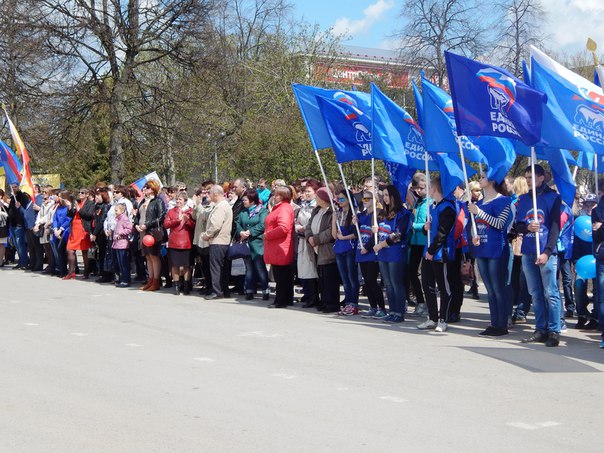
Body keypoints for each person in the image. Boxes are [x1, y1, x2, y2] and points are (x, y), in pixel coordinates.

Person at [515, 165, 562, 347]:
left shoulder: (552, 198)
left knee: (551, 292)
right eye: (526, 177)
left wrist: (547, 252)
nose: (528, 180)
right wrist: (527, 227)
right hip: (528, 250)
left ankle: (554, 330)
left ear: (542, 178)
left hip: (545, 251)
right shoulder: (524, 199)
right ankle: (540, 328)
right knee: (535, 293)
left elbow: (555, 228)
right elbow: (518, 225)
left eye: (531, 177)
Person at [468, 175, 514, 336]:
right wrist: (474, 235)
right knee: (489, 289)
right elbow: (475, 226)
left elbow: (500, 224)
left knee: (498, 287)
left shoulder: (504, 201)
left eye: (483, 177)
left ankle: (502, 324)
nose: (480, 179)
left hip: (497, 249)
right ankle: (494, 322)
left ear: (493, 180)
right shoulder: (479, 203)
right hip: (482, 249)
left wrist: (479, 212)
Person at [418, 176, 457, 332]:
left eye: (429, 187)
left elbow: (442, 233)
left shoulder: (447, 207)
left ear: (434, 189)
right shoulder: (432, 206)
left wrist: (431, 251)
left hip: (441, 253)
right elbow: (430, 229)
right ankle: (432, 317)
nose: (428, 190)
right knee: (427, 285)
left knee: (443, 287)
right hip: (428, 251)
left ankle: (443, 319)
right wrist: (425, 227)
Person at [373, 185, 412, 323]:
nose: (385, 198)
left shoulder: (403, 213)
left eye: (387, 195)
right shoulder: (383, 213)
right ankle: (392, 310)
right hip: (383, 253)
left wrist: (381, 245)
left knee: (396, 283)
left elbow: (398, 235)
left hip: (395, 253)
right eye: (383, 195)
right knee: (388, 284)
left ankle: (399, 312)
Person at [353, 190, 387, 318]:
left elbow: (377, 235)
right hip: (361, 251)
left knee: (372, 280)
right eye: (364, 199)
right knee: (367, 282)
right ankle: (373, 307)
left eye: (368, 199)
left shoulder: (378, 214)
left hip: (372, 252)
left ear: (375, 200)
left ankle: (382, 308)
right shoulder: (361, 215)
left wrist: (367, 248)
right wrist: (355, 223)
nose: (365, 201)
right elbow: (357, 234)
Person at [306, 187, 339, 313]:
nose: (316, 198)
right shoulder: (316, 210)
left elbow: (331, 231)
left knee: (329, 278)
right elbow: (309, 225)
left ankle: (332, 303)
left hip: (327, 249)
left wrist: (317, 239)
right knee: (321, 278)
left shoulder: (332, 212)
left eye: (318, 196)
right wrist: (309, 237)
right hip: (315, 248)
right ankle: (324, 301)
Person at [264, 185, 295, 308]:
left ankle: (281, 300)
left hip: (280, 246)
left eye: (276, 194)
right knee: (282, 274)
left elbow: (283, 227)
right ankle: (285, 299)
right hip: (278, 246)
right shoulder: (281, 207)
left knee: (281, 275)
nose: (274, 196)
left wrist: (268, 235)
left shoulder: (284, 208)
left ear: (282, 196)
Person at [236, 188, 269, 301]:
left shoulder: (262, 211)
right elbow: (238, 223)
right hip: (246, 244)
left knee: (260, 268)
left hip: (257, 244)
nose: (243, 202)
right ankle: (249, 290)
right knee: (249, 268)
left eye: (245, 200)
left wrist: (250, 232)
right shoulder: (243, 212)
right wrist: (241, 232)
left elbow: (263, 224)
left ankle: (265, 290)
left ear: (252, 200)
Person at [201, 185, 233, 299]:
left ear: (215, 194)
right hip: (223, 241)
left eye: (209, 193)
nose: (207, 195)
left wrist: (206, 235)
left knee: (215, 268)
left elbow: (215, 225)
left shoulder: (220, 207)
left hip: (218, 241)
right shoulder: (225, 205)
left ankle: (217, 292)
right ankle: (224, 290)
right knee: (223, 268)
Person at [136, 179, 166, 292]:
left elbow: (161, 216)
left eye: (147, 187)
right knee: (147, 257)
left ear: (153, 189)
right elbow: (137, 216)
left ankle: (156, 281)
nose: (144, 189)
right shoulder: (143, 201)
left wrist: (147, 225)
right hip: (142, 232)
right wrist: (136, 225)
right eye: (144, 187)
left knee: (154, 256)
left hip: (152, 232)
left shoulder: (158, 201)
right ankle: (150, 280)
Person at [332, 189, 359, 316]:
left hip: (350, 248)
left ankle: (353, 303)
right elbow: (334, 235)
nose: (339, 201)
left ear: (348, 199)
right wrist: (333, 220)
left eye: (342, 199)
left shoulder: (355, 213)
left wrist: (344, 238)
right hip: (339, 248)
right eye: (338, 199)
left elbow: (356, 234)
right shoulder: (338, 213)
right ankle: (347, 302)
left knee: (352, 277)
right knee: (344, 278)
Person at [164, 191, 196, 295]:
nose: (178, 201)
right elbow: (166, 224)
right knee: (175, 265)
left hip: (186, 242)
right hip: (174, 241)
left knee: (187, 265)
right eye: (177, 199)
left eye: (180, 199)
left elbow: (194, 226)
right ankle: (177, 286)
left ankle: (186, 286)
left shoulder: (190, 211)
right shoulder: (171, 211)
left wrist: (187, 221)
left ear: (185, 201)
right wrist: (177, 221)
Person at [295, 179, 320, 308]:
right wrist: (298, 227)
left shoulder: (317, 206)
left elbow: (314, 223)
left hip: (313, 240)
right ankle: (309, 296)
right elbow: (298, 220)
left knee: (314, 269)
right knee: (306, 269)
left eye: (309, 191)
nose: (307, 194)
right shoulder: (303, 205)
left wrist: (306, 229)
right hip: (302, 240)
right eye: (306, 191)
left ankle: (315, 297)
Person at [574, 193, 597, 329]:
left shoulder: (600, 219)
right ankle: (582, 314)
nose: (589, 208)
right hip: (582, 261)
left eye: (592, 205)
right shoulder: (579, 221)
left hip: (598, 260)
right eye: (586, 205)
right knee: (578, 285)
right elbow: (576, 242)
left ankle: (595, 317)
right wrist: (575, 259)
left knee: (598, 290)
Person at [407, 173, 429, 317]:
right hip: (414, 242)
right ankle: (420, 301)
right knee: (412, 272)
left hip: (425, 243)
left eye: (421, 188)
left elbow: (428, 224)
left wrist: (415, 225)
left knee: (424, 276)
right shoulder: (418, 202)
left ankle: (426, 303)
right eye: (416, 189)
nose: (418, 191)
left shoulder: (430, 202)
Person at [64, 188, 94, 280]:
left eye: (82, 193)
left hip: (83, 228)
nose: (80, 194)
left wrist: (78, 208)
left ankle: (86, 272)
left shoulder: (90, 203)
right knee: (69, 249)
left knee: (84, 251)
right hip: (74, 228)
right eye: (79, 192)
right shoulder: (76, 202)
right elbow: (70, 215)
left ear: (87, 194)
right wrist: (70, 207)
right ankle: (71, 272)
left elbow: (88, 215)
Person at [7, 183, 31, 269]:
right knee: (16, 245)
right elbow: (10, 210)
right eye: (12, 187)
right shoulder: (12, 197)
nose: (14, 188)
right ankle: (21, 261)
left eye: (15, 187)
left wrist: (20, 206)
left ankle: (24, 263)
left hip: (19, 224)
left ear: (18, 187)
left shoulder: (23, 197)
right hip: (12, 224)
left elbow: (26, 211)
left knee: (20, 244)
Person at [51, 191, 73, 277]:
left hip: (66, 230)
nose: (59, 198)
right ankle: (62, 270)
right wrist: (56, 229)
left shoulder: (68, 207)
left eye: (61, 196)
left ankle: (71, 270)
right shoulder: (58, 207)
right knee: (59, 251)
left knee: (65, 250)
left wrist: (61, 229)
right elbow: (55, 218)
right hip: (57, 231)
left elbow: (68, 219)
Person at [112, 203, 133, 287]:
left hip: (122, 244)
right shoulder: (118, 219)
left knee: (124, 263)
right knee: (120, 263)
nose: (115, 212)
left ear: (122, 211)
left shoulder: (124, 219)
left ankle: (126, 280)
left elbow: (130, 228)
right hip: (117, 244)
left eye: (116, 210)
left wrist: (121, 233)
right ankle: (122, 278)